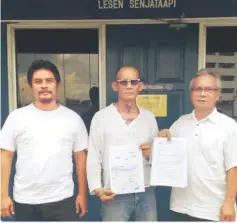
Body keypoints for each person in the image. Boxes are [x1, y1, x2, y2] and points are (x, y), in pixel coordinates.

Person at [0, 59, 88, 221]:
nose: (44, 86)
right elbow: (5, 156)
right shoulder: (16, 118)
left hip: (63, 200)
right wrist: (3, 195)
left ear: (57, 85)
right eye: (38, 81)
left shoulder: (73, 119)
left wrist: (83, 194)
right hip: (25, 200)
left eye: (49, 81)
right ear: (31, 86)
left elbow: (81, 158)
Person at [158, 69, 237, 221]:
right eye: (198, 89)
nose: (202, 94)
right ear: (191, 93)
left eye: (208, 89)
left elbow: (233, 168)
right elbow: (165, 156)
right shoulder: (180, 123)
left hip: (213, 210)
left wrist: (229, 202)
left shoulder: (229, 126)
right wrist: (162, 138)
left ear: (218, 94)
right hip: (180, 207)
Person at [87, 66, 158, 221]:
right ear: (115, 86)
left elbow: (156, 156)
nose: (129, 86)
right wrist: (96, 188)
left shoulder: (149, 118)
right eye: (123, 82)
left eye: (133, 82)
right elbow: (94, 155)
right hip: (114, 192)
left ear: (140, 86)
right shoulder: (101, 118)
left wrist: (152, 154)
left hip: (145, 191)